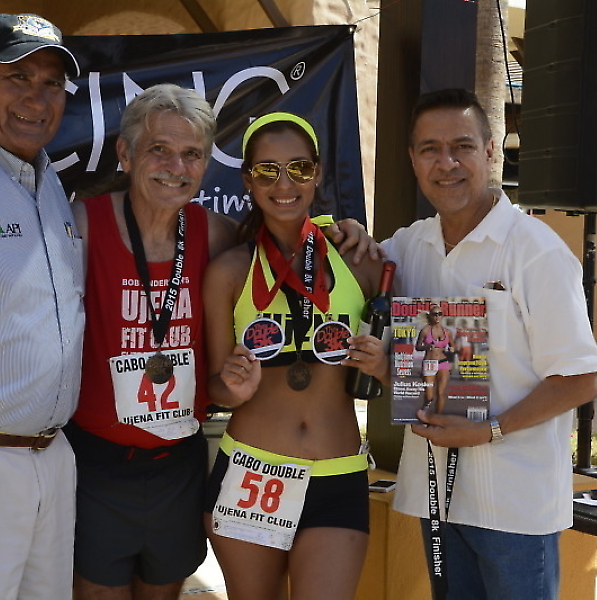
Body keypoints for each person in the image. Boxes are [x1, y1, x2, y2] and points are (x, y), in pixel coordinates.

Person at [65, 86, 376, 599]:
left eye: (191, 154)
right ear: (126, 153)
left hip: (189, 464)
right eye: (159, 149)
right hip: (117, 461)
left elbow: (288, 232)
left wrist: (341, 228)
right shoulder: (85, 225)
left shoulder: (223, 237)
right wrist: (230, 388)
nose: (176, 167)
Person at [380, 88, 597, 600]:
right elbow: (362, 283)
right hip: (438, 495)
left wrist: (489, 430)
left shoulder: (536, 252)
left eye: (462, 146)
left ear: (490, 151)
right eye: (431, 149)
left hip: (515, 506)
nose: (447, 163)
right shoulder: (408, 245)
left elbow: (581, 378)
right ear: (412, 159)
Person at [202, 112, 385, 600]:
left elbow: (405, 379)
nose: (284, 184)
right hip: (252, 472)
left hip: (337, 473)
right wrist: (230, 387)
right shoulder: (229, 271)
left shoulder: (362, 262)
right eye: (267, 171)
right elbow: (215, 388)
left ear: (318, 173)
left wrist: (385, 366)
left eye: (299, 169)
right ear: (247, 179)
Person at [0, 12, 84, 600]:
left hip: (53, 459)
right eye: (17, 77)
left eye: (51, 83)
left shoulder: (49, 180)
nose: (36, 98)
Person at [415, 304, 455, 413]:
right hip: (429, 363)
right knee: (429, 396)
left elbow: (453, 346)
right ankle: (426, 406)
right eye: (434, 314)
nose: (437, 316)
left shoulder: (447, 332)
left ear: (442, 316)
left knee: (441, 393)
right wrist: (426, 346)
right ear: (430, 316)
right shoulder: (425, 331)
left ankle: (438, 418)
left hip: (443, 362)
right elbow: (417, 347)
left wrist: (452, 349)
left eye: (439, 314)